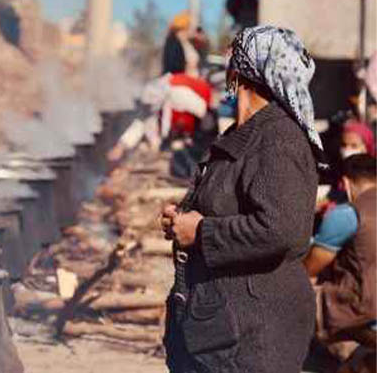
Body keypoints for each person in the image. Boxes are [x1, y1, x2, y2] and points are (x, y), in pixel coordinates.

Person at [160, 26, 324, 372]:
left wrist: (202, 232)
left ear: (243, 72)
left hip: (252, 336)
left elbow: (283, 229)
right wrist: (183, 219)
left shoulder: (278, 139)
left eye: (233, 55)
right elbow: (230, 205)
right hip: (220, 331)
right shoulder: (244, 134)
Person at [305, 154, 376, 371]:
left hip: (363, 311)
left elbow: (310, 267)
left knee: (299, 291)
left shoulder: (347, 214)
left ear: (345, 183)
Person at [162, 12, 200, 77]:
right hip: (180, 80)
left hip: (190, 78)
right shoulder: (173, 42)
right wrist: (187, 65)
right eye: (189, 26)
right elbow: (172, 65)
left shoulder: (186, 42)